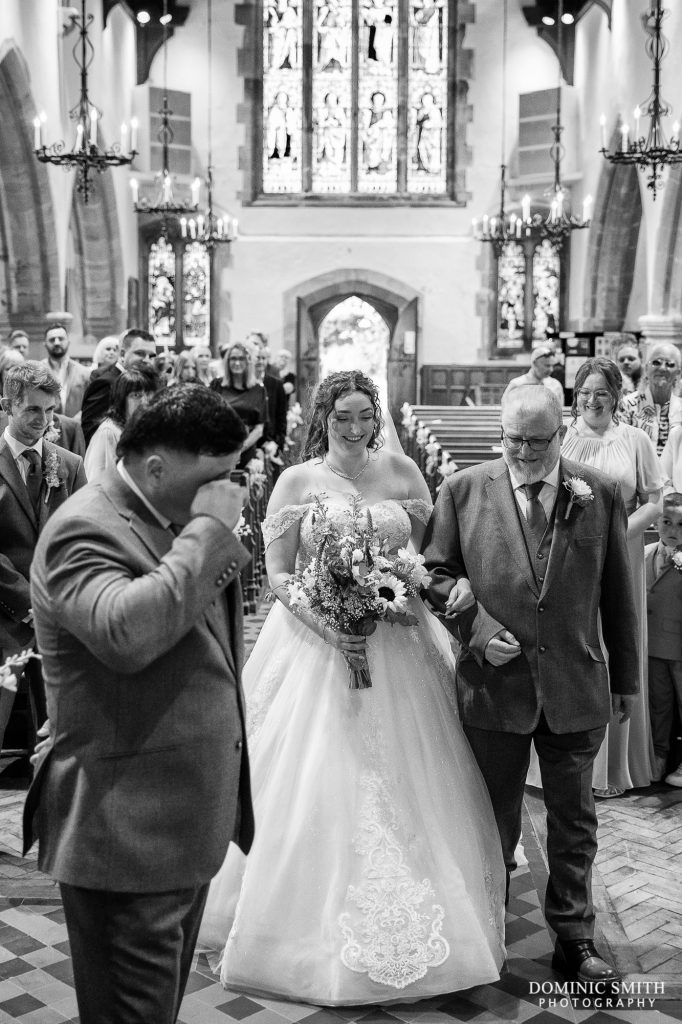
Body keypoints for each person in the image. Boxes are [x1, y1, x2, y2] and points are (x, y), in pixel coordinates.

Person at [199, 370, 505, 1005]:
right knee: (316, 773)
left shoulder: (404, 474)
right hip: (316, 646)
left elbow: (423, 559)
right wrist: (329, 624)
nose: (355, 424)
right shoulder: (297, 481)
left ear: (377, 414)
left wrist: (416, 586)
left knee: (414, 775)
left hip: (399, 644)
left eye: (364, 413)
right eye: (343, 414)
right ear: (324, 416)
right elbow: (280, 573)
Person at [24, 385, 254, 1024]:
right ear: (156, 467)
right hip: (125, 829)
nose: (226, 494)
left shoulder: (169, 519)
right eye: (214, 479)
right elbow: (127, 634)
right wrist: (210, 530)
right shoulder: (83, 527)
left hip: (183, 822)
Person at [422, 384, 639, 986]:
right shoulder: (463, 491)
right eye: (512, 439)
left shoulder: (599, 494)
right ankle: (483, 931)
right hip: (495, 685)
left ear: (561, 432)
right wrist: (474, 628)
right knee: (491, 820)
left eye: (536, 440)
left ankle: (574, 939)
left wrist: (626, 679)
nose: (522, 451)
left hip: (575, 681)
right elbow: (435, 576)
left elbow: (619, 594)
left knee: (575, 821)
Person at [560, 357, 662, 795]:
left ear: (616, 396)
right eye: (585, 392)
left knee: (616, 640)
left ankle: (616, 766)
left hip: (622, 553)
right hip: (571, 559)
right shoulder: (562, 438)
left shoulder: (635, 439)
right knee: (576, 644)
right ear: (575, 396)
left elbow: (654, 501)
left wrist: (616, 536)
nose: (592, 400)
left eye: (602, 392)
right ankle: (569, 758)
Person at [0, 361, 86, 754]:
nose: (44, 420)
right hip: (5, 611)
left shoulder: (68, 465)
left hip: (59, 609)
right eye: (33, 409)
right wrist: (25, 601)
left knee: (71, 723)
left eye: (51, 410)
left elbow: (84, 537)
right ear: (8, 405)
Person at [645, 493, 682, 787]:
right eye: (667, 522)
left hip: (679, 647)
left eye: (681, 524)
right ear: (655, 520)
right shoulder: (643, 554)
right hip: (653, 646)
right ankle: (658, 758)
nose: (672, 530)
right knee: (659, 706)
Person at [83, 363, 162, 482]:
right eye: (136, 395)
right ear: (121, 400)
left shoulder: (140, 429)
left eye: (147, 395)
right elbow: (95, 481)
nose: (144, 401)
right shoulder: (108, 432)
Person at [80, 328, 156, 445]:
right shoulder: (106, 383)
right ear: (122, 353)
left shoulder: (146, 386)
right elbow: (91, 433)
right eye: (140, 353)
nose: (147, 360)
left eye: (151, 356)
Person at [210, 342, 266, 468]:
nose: (237, 363)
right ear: (227, 362)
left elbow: (259, 429)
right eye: (233, 359)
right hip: (220, 450)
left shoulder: (258, 389)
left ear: (248, 362)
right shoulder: (216, 385)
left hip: (246, 452)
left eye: (241, 359)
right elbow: (209, 418)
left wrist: (240, 448)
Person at [620, 342, 682, 454]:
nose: (663, 368)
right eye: (656, 362)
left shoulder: (680, 408)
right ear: (647, 367)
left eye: (670, 364)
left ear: (678, 372)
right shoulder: (627, 405)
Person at [40, 323, 91, 418]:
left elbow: (90, 403)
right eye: (52, 340)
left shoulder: (84, 373)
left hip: (76, 427)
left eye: (61, 338)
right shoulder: (37, 371)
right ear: (45, 344)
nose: (57, 342)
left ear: (68, 342)